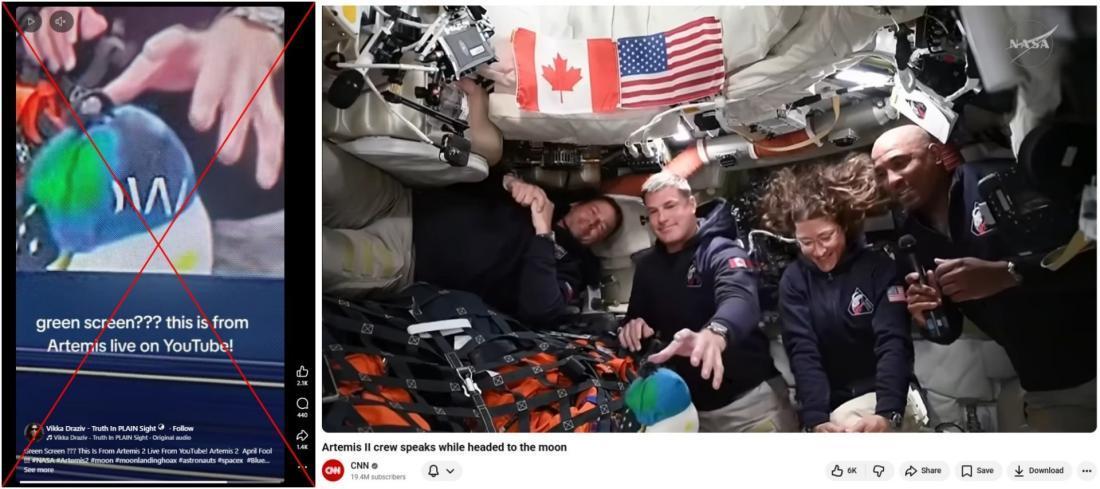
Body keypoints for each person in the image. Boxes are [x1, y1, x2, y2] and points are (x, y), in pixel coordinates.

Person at [321, 90, 623, 323]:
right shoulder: (538, 196)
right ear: (578, 204)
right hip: (397, 200)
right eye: (594, 213)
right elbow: (475, 173)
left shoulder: (569, 269)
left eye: (602, 229)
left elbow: (540, 309)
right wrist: (510, 182)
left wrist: (544, 234)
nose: (593, 224)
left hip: (402, 258)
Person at [871, 124, 1096, 432]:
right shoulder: (912, 239)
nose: (892, 180)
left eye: (900, 163)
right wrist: (929, 315)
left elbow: (1090, 258)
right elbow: (948, 330)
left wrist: (1009, 273)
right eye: (880, 173)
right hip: (1048, 383)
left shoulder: (1001, 181)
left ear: (936, 155)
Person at [618, 172, 797, 432]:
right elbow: (638, 321)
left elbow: (740, 298)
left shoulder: (721, 250)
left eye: (670, 206)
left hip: (751, 406)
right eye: (653, 211)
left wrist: (716, 332)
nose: (662, 218)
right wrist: (633, 329)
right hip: (692, 413)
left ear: (691, 204)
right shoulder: (647, 267)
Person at [759, 152, 919, 432]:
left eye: (826, 237)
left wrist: (888, 413)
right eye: (806, 242)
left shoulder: (878, 268)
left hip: (885, 395)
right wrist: (816, 420)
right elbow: (803, 352)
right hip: (835, 404)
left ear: (844, 226)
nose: (818, 251)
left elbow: (893, 342)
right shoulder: (794, 281)